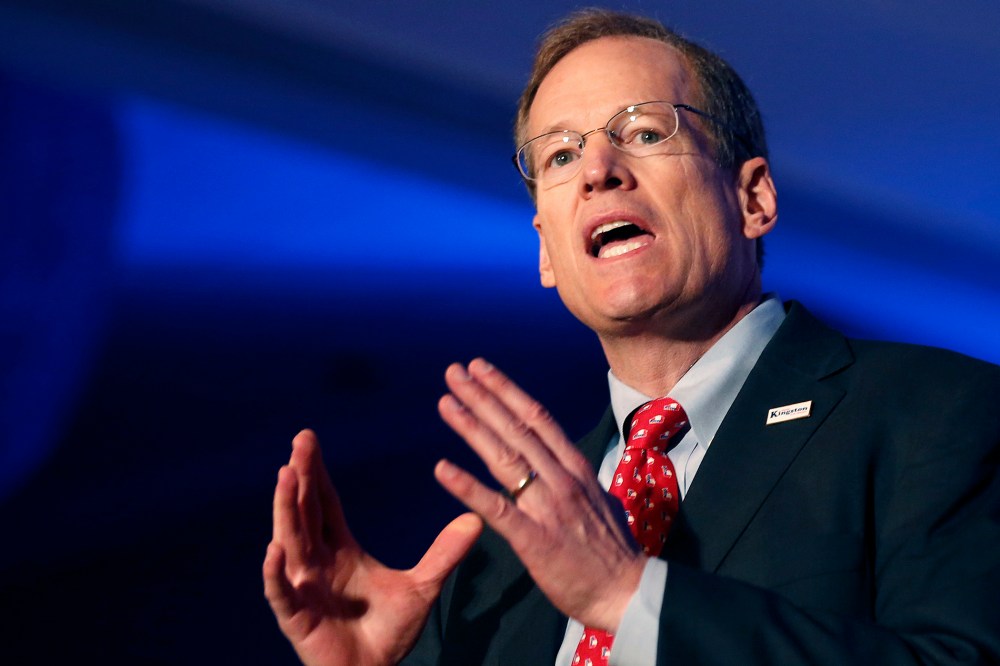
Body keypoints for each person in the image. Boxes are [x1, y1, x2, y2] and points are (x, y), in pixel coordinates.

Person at [263, 9, 1000, 665]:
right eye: (559, 155)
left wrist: (630, 596)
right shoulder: (507, 549)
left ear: (754, 197)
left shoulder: (940, 414)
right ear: (547, 252)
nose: (597, 171)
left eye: (645, 132)